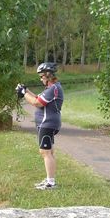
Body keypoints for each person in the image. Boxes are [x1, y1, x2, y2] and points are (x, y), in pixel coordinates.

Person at [16, 62, 63, 190]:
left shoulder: (53, 89)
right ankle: (49, 179)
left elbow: (37, 103)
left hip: (47, 123)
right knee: (49, 151)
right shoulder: (52, 88)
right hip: (48, 123)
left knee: (45, 152)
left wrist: (23, 93)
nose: (40, 78)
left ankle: (51, 183)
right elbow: (38, 97)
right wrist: (26, 90)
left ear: (48, 76)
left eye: (42, 76)